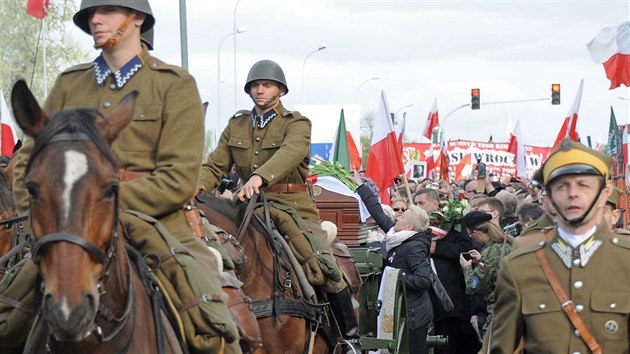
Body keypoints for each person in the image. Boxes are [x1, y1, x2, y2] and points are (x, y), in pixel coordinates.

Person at [9, 1, 238, 353]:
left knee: (213, 323)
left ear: (137, 19)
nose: (95, 19)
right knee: (7, 321)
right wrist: (43, 216)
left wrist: (99, 201)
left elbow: (179, 179)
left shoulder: (174, 85)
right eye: (90, 13)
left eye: (108, 11)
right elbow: (28, 161)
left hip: (159, 225)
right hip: (68, 228)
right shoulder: (69, 84)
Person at [198, 59, 360, 353]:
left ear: (281, 90)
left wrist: (260, 177)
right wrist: (194, 187)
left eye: (267, 85)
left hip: (292, 206)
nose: (260, 90)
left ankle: (348, 337)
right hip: (247, 208)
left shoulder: (296, 123)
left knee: (323, 263)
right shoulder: (236, 125)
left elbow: (291, 152)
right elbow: (215, 165)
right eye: (255, 86)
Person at [490, 138, 630, 353]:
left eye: (584, 185)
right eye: (561, 186)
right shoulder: (518, 268)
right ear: (548, 198)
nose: (573, 193)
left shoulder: (625, 262)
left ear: (604, 193)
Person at [351, 172, 433, 354]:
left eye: (403, 216)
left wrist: (397, 278)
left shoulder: (414, 247)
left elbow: (424, 280)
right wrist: (360, 186)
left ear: (409, 227)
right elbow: (378, 213)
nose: (398, 216)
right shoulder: (399, 236)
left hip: (412, 316)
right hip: (402, 311)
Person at [413, 188, 477, 354]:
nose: (417, 206)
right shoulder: (414, 224)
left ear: (435, 203)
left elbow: (465, 249)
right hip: (422, 293)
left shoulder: (452, 222)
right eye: (415, 203)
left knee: (445, 344)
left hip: (446, 293)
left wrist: (438, 248)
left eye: (421, 203)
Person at [459, 211, 513, 338]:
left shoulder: (490, 252)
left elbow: (475, 286)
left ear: (476, 232)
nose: (470, 237)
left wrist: (467, 268)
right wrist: (480, 261)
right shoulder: (509, 243)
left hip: (499, 313)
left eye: (470, 234)